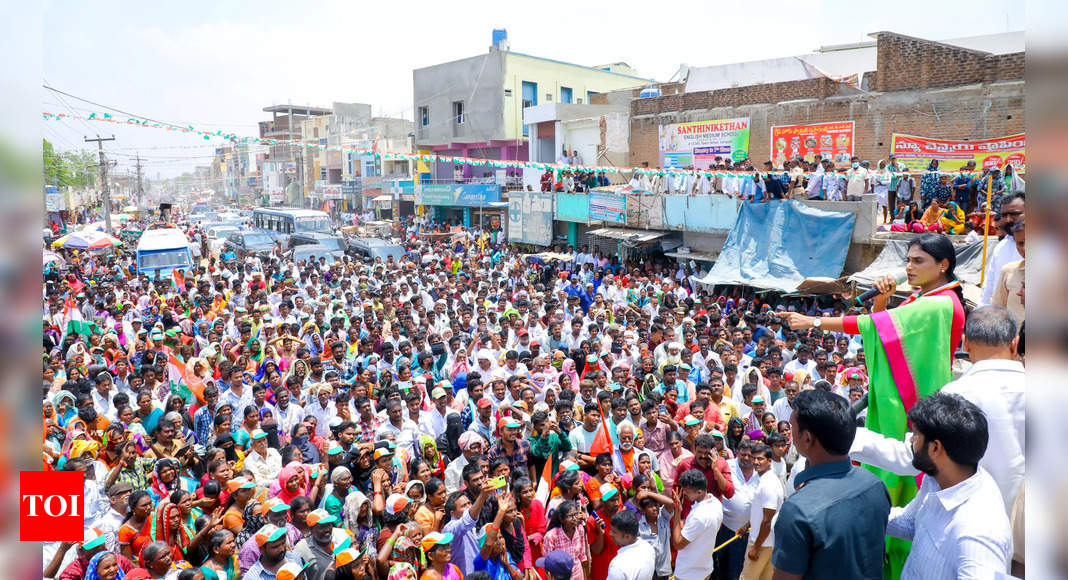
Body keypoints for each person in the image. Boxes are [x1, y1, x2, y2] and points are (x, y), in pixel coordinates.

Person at [850, 305, 1024, 516]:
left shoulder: (956, 394)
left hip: (966, 520)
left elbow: (912, 456)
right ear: (1015, 344)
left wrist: (848, 436)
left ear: (965, 343)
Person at [887, 392, 1012, 578]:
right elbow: (910, 522)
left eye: (915, 435)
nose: (911, 441)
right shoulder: (937, 480)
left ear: (935, 448)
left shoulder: (977, 533)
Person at [771, 390, 890, 580]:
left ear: (807, 438)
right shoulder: (875, 485)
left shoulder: (798, 510)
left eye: (793, 428)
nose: (789, 435)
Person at [738, 443, 781, 580]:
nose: (755, 462)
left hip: (762, 543)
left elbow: (767, 520)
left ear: (769, 461)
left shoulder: (768, 485)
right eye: (753, 458)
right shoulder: (763, 479)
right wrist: (747, 525)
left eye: (760, 459)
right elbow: (761, 512)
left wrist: (756, 547)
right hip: (766, 542)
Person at [670, 469, 723, 580]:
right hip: (705, 569)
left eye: (687, 491)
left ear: (699, 492)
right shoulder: (716, 503)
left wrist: (677, 513)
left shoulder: (698, 516)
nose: (684, 494)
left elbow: (678, 544)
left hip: (688, 574)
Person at [605, 509, 655, 580]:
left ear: (627, 537)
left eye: (614, 532)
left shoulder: (618, 566)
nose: (610, 534)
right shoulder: (648, 548)